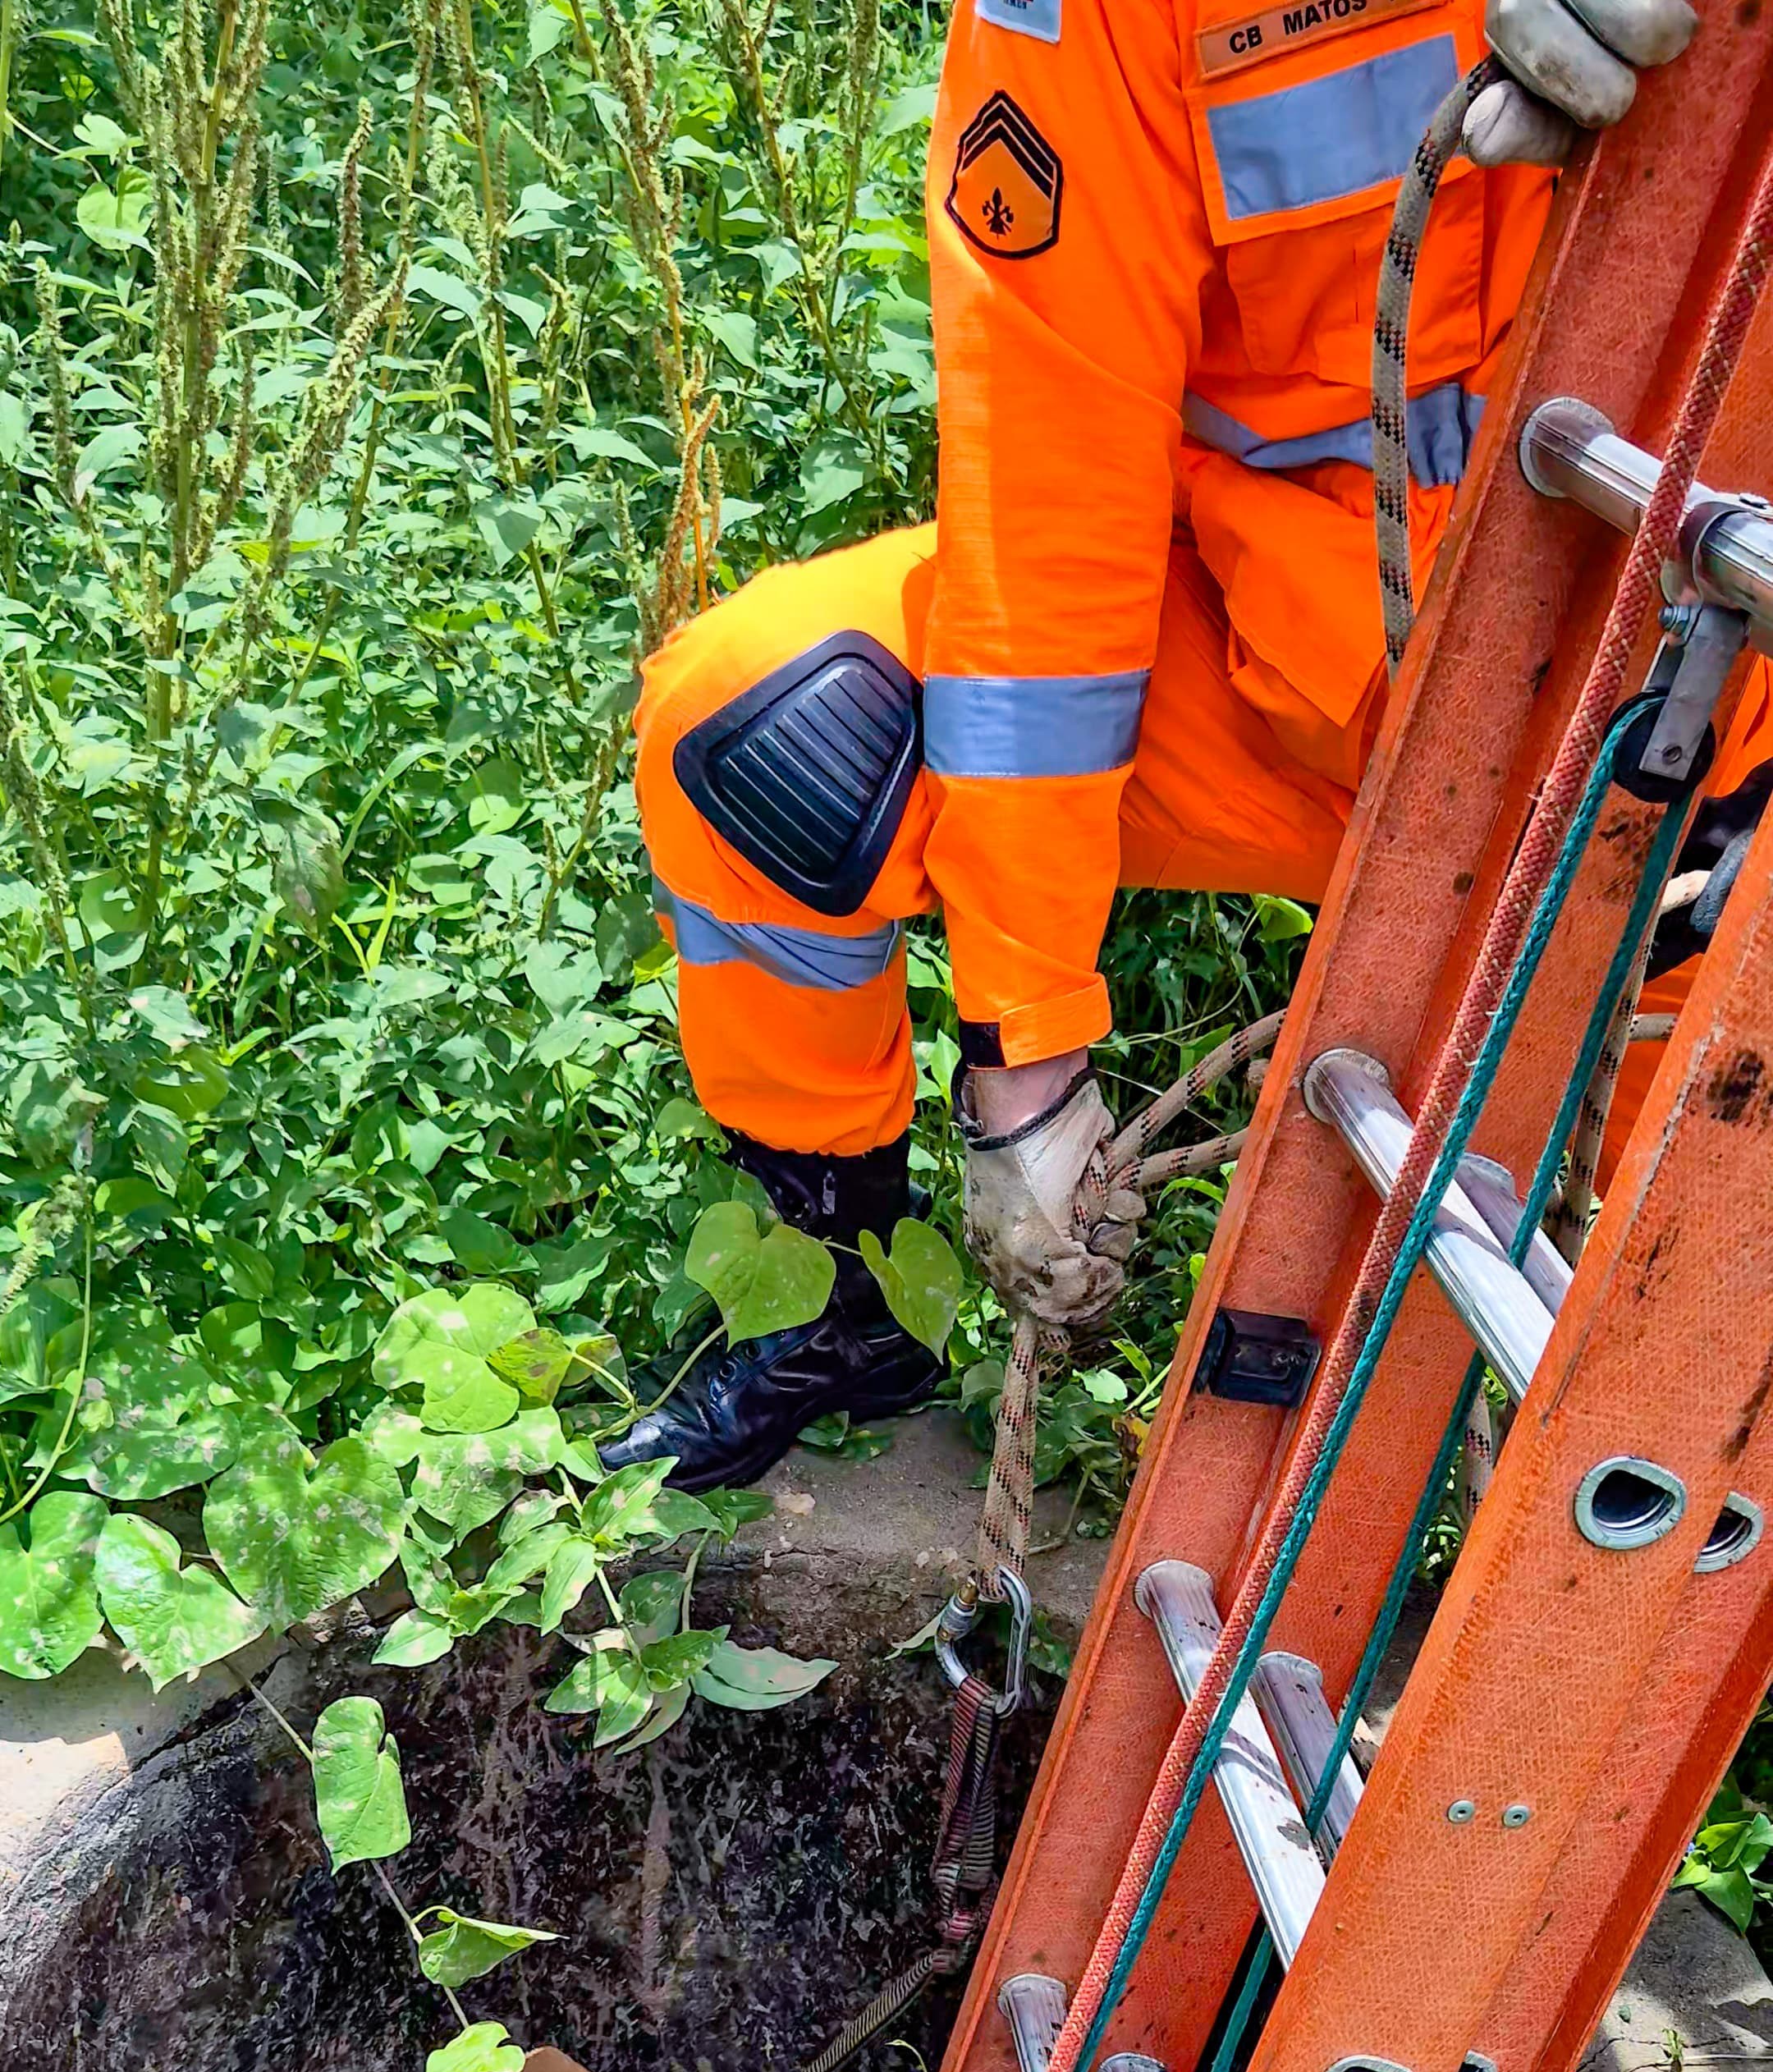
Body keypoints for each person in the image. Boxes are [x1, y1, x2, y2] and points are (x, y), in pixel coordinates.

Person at [606, 0, 1771, 1489]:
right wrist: (1024, 1050)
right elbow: (1046, 524)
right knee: (773, 729)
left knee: (1666, 1348)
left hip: (1711, 710)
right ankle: (841, 1306)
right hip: (1314, 675)